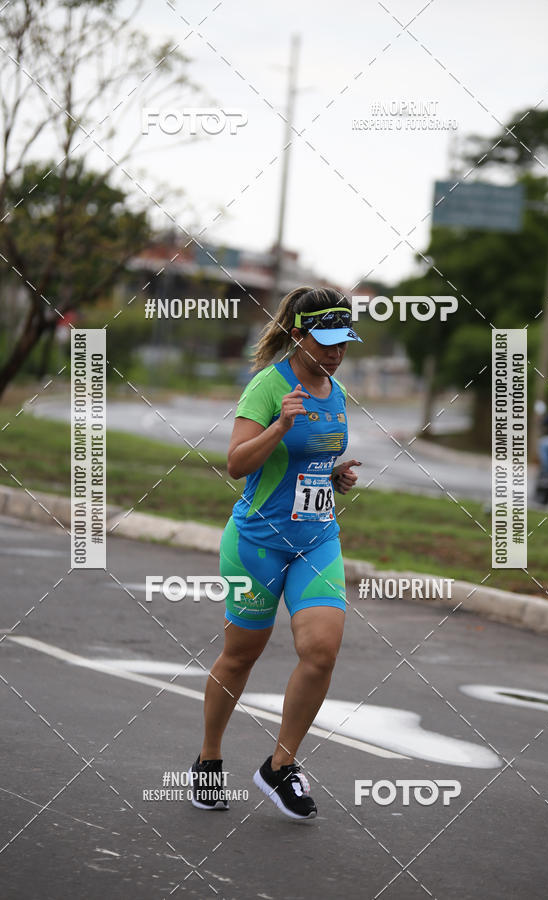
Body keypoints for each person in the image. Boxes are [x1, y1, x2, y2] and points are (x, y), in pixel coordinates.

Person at [188, 286, 362, 820]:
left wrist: (334, 476)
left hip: (316, 538)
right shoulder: (268, 386)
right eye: (325, 341)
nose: (335, 353)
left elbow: (308, 463)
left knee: (322, 651)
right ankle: (209, 761)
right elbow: (237, 464)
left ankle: (280, 766)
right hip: (257, 545)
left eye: (343, 342)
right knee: (241, 655)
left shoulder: (334, 390)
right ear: (298, 334)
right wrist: (281, 426)